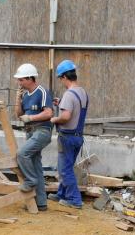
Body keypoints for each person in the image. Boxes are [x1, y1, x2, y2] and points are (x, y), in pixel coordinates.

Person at [48, 60, 89, 210]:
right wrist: (61, 103)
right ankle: (62, 194)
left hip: (67, 137)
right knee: (67, 167)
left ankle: (74, 200)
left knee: (64, 169)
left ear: (64, 77)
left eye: (60, 78)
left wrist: (54, 119)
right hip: (78, 136)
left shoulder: (69, 94)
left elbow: (66, 117)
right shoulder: (82, 92)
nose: (61, 81)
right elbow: (75, 108)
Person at [13, 63, 53, 212]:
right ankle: (41, 203)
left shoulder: (42, 92)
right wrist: (18, 99)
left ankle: (30, 180)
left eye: (22, 80)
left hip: (42, 130)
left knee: (22, 154)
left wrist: (30, 117)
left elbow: (49, 113)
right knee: (36, 167)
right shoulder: (25, 94)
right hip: (30, 132)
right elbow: (18, 114)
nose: (19, 83)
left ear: (30, 78)